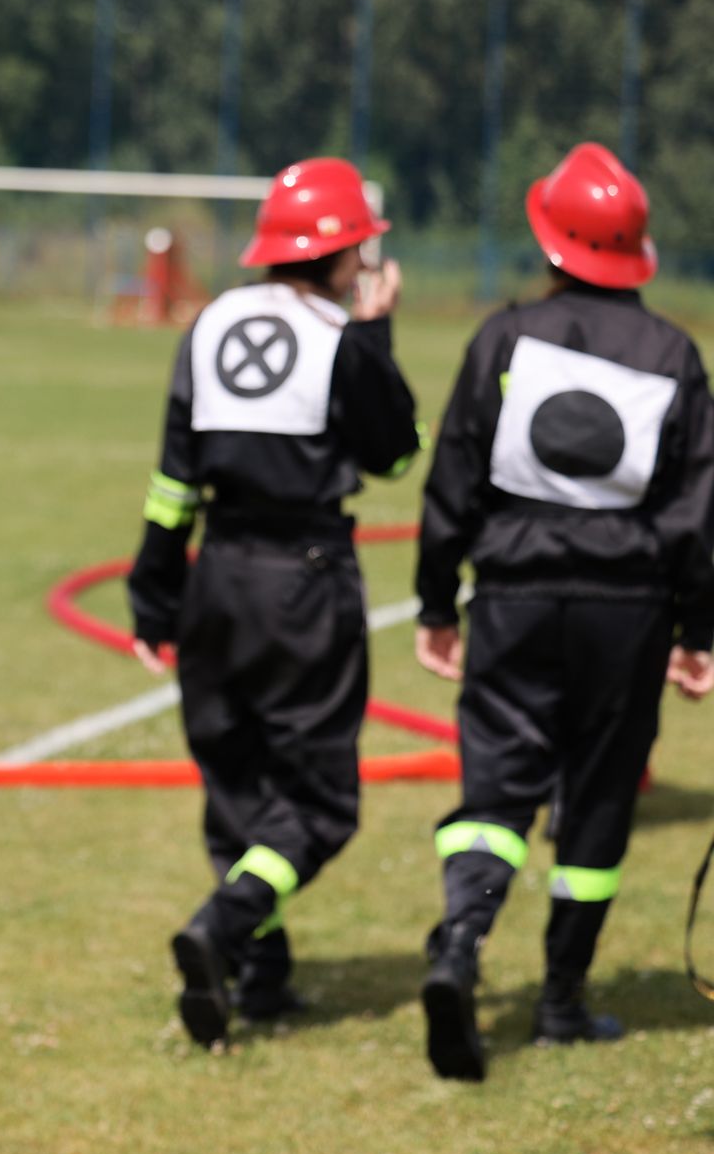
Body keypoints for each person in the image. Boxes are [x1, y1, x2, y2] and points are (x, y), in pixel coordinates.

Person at [413, 141, 714, 1081]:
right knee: (597, 799)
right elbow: (697, 517)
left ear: (550, 244)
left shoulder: (503, 340)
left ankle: (459, 944)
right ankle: (560, 1000)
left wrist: (436, 600)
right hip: (627, 614)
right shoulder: (674, 354)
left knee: (496, 789)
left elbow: (452, 478)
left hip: (511, 599)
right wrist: (698, 631)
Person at [125, 158, 421, 1048]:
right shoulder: (341, 335)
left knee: (239, 779)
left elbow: (175, 479)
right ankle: (224, 928)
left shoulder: (211, 321)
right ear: (343, 255)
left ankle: (257, 977)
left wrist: (153, 593)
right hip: (306, 581)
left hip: (218, 578)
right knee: (321, 802)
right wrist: (377, 334)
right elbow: (397, 454)